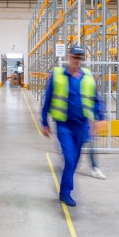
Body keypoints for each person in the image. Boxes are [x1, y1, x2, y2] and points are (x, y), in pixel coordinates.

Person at [41, 45, 105, 206]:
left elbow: (95, 100)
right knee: (69, 159)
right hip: (64, 125)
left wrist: (100, 117)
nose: (77, 60)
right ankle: (65, 192)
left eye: (80, 58)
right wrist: (44, 122)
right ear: (68, 57)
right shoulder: (57, 76)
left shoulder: (88, 77)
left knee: (74, 160)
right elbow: (47, 100)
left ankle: (65, 189)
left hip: (82, 125)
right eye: (75, 57)